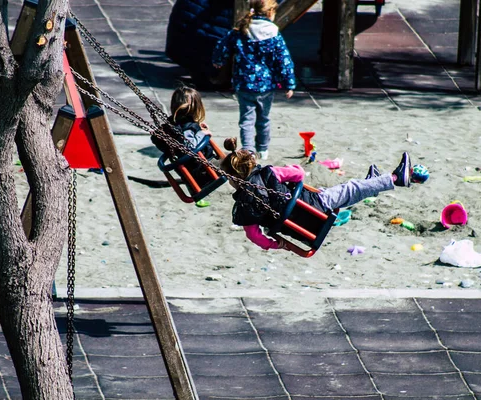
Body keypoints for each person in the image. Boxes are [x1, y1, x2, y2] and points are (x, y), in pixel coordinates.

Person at [219, 137, 413, 251]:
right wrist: (288, 181)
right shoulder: (268, 174)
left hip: (303, 232)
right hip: (316, 206)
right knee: (348, 189)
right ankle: (395, 179)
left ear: (232, 178)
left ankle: (373, 183)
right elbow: (299, 173)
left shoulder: (242, 208)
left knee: (345, 191)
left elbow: (255, 237)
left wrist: (276, 244)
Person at [212, 0, 296, 161]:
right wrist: (289, 84)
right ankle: (263, 149)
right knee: (263, 118)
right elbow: (284, 60)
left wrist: (218, 60)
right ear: (271, 12)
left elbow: (222, 44)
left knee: (246, 120)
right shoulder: (273, 33)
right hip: (266, 86)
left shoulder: (242, 29)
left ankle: (248, 151)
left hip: (243, 83)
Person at [151, 86, 217, 189]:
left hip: (194, 171)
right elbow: (189, 147)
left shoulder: (174, 125)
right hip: (204, 170)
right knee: (232, 161)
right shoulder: (186, 128)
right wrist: (202, 134)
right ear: (197, 107)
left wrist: (199, 130)